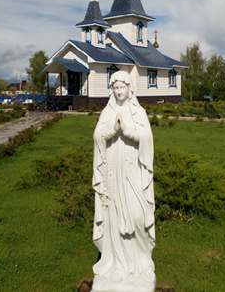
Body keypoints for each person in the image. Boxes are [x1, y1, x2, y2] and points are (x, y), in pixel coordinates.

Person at [91, 70, 155, 292]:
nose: (118, 92)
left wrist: (129, 131)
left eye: (122, 88)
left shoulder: (139, 112)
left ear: (130, 89)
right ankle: (116, 263)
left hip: (133, 171)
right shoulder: (107, 112)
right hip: (111, 172)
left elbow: (147, 138)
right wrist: (111, 131)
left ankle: (140, 260)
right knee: (114, 218)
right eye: (115, 88)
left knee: (137, 214)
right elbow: (97, 136)